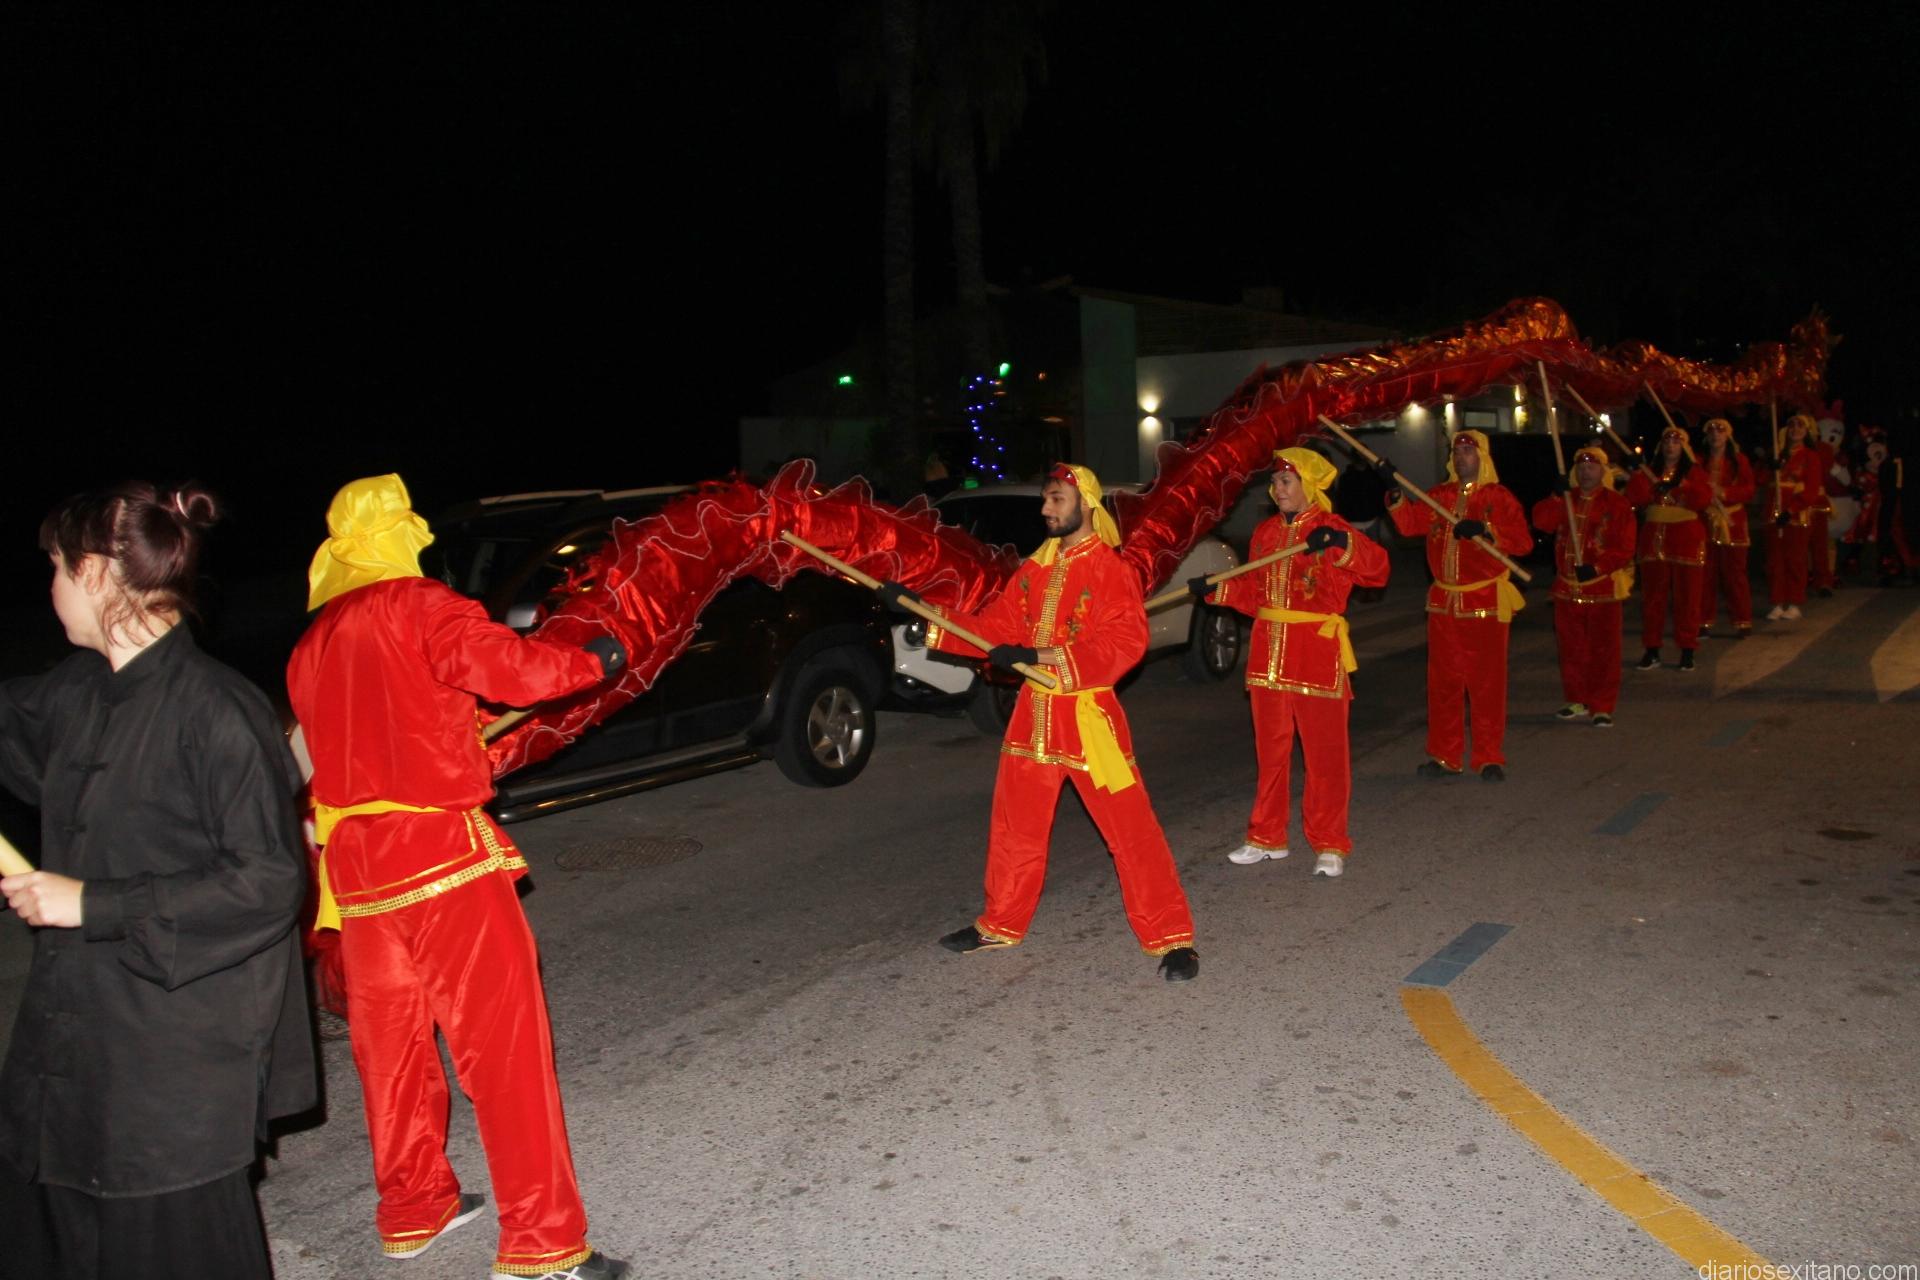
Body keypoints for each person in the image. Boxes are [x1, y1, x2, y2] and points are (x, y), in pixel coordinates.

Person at [285, 475, 631, 1280]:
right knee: (504, 1051)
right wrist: (591, 659)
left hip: (357, 871)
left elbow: (366, 728)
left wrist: (449, 723)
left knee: (391, 1052)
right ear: (400, 537)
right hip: (437, 855)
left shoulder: (312, 644)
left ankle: (414, 1207)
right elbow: (516, 672)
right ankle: (542, 1241)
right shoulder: (418, 605)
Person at [0, 482, 316, 1279]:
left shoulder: (218, 709)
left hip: (170, 1076)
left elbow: (267, 881)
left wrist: (92, 902)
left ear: (95, 573)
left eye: (56, 568)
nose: (51, 588)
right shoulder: (77, 690)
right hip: (69, 1049)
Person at [886, 463, 1199, 981]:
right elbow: (995, 629)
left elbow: (1124, 644)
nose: (1046, 508)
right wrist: (928, 615)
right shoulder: (1035, 570)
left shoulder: (1110, 569)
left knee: (1131, 831)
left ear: (1085, 505)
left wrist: (1041, 654)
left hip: (1087, 718)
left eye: (1056, 499)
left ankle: (1172, 936)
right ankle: (1000, 923)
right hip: (1033, 717)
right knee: (1016, 827)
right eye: (1046, 499)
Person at [1199, 448, 1388, 876]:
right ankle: (1267, 836)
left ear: (1309, 485)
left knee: (1326, 756)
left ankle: (1330, 842)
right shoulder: (1265, 533)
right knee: (1270, 752)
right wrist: (1217, 590)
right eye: (1275, 481)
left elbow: (1378, 570)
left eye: (1286, 481)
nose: (1277, 488)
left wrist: (1342, 543)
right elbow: (1255, 594)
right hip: (1268, 657)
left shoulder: (1333, 528)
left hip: (1315, 654)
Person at [1382, 429, 1531, 782]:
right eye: (1456, 450)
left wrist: (1487, 530)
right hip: (1444, 604)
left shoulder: (1499, 497)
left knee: (1487, 684)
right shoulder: (1439, 496)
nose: (1461, 456)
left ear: (1482, 456)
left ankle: (1489, 756)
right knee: (1442, 684)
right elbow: (1410, 524)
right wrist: (1395, 492)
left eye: (1468, 450)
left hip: (1484, 604)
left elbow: (1523, 542)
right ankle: (1445, 755)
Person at [1531, 446, 1636, 726]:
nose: (1586, 472)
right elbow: (1541, 522)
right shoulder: (1567, 498)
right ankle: (1576, 698)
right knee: (1571, 649)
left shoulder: (1616, 504)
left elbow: (1625, 547)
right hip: (1567, 588)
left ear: (1603, 471)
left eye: (1592, 467)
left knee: (1604, 650)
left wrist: (1597, 568)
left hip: (1602, 588)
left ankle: (1602, 705)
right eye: (1581, 467)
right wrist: (1555, 496)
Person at [1623, 425, 1713, 671]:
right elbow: (1635, 498)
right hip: (1655, 539)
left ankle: (1688, 649)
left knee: (1688, 597)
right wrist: (1637, 473)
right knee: (1653, 599)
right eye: (1666, 442)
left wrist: (1682, 486)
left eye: (1676, 442)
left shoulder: (1695, 472)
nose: (1670, 446)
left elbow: (1702, 500)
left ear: (1684, 447)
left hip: (1686, 539)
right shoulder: (1650, 471)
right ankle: (1652, 649)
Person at [1696, 418, 1758, 638]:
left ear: (1728, 435)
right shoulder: (1698, 462)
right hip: (1706, 521)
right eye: (1711, 431)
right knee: (1705, 573)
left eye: (1720, 431)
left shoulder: (1739, 461)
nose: (1716, 435)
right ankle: (1703, 621)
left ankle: (1742, 620)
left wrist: (1724, 492)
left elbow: (1749, 490)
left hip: (1732, 520)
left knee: (1735, 573)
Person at [1761, 413, 1826, 620]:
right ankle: (1777, 601)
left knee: (1795, 559)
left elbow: (1811, 490)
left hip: (1796, 513)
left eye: (1800, 426)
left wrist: (1791, 510)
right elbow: (1761, 480)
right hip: (1774, 511)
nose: (1795, 430)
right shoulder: (1778, 454)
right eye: (1792, 426)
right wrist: (1768, 466)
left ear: (1807, 431)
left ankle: (1795, 601)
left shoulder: (1810, 456)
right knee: (1774, 560)